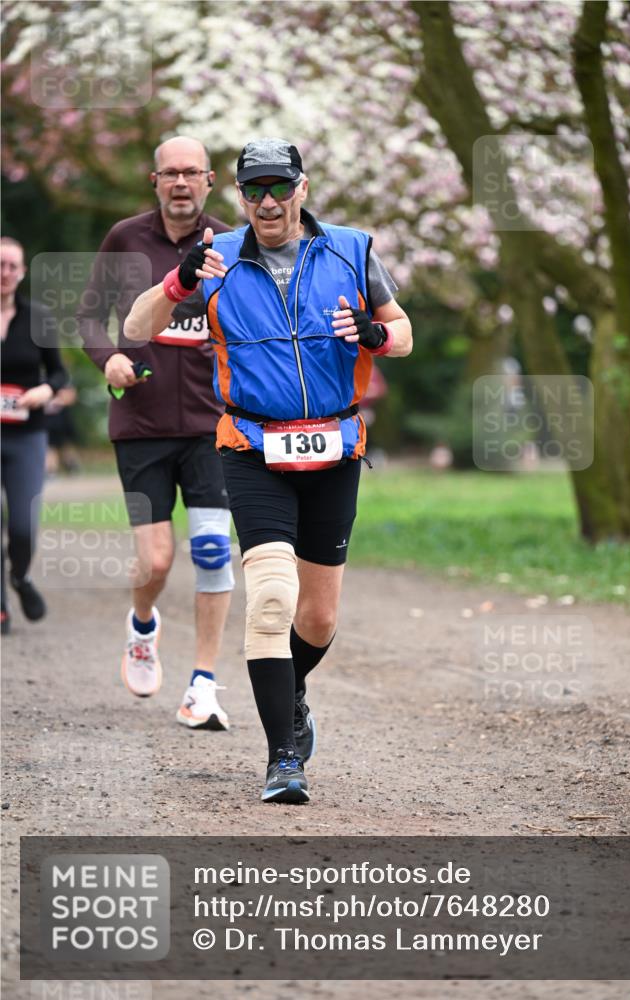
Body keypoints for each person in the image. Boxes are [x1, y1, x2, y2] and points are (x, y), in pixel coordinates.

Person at [125, 137, 412, 803]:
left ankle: (292, 689)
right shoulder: (216, 259)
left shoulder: (351, 250)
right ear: (240, 197)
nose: (268, 201)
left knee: (317, 618)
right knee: (272, 598)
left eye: (280, 187)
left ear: (302, 189)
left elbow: (402, 331)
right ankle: (283, 758)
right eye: (255, 190)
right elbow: (137, 325)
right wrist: (178, 281)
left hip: (334, 449)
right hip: (252, 448)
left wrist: (376, 336)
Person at [78, 136, 235, 730]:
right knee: (158, 560)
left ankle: (203, 685)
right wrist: (108, 359)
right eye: (171, 173)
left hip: (212, 425)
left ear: (210, 181)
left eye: (192, 172)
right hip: (141, 424)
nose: (181, 183)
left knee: (213, 552)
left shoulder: (230, 244)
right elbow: (89, 317)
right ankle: (142, 624)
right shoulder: (125, 238)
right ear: (155, 181)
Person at [1, 236, 68, 635]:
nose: (5, 272)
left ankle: (20, 576)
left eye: (12, 265)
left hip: (27, 435)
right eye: (0, 264)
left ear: (23, 272)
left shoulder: (38, 318)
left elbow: (59, 373)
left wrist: (45, 391)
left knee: (23, 526)